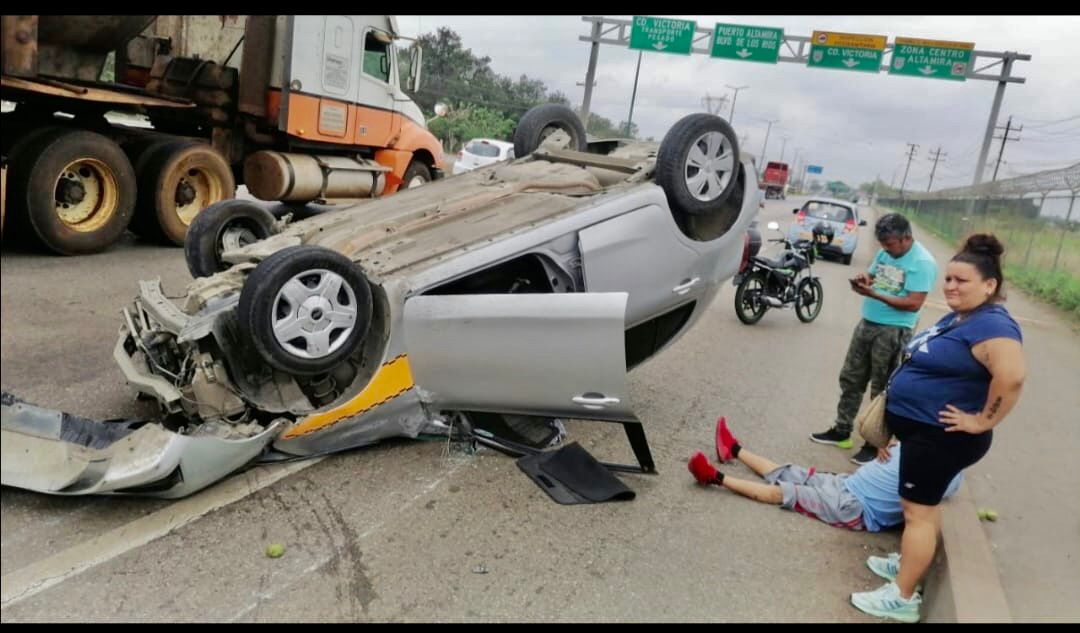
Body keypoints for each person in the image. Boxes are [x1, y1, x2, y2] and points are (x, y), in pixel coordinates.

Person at [847, 233, 1025, 623]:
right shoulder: (963, 318)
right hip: (922, 434)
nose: (951, 286)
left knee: (918, 514)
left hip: (940, 439)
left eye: (962, 281)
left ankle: (903, 597)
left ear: (990, 285)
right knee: (921, 510)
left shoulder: (994, 326)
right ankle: (908, 563)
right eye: (948, 278)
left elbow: (1010, 379)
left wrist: (982, 420)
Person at [687, 417, 961, 535]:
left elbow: (921, 503)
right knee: (790, 472)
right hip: (847, 483)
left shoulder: (946, 471)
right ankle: (733, 449)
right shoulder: (918, 440)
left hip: (854, 508)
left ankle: (715, 477)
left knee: (785, 493)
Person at [811, 213, 938, 466]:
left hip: (894, 331)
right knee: (851, 377)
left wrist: (875, 294)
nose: (886, 250)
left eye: (890, 245)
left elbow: (914, 304)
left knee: (882, 388)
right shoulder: (885, 253)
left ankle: (874, 443)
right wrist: (864, 281)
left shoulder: (922, 263)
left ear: (907, 238)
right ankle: (841, 430)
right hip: (867, 323)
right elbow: (874, 276)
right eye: (883, 244)